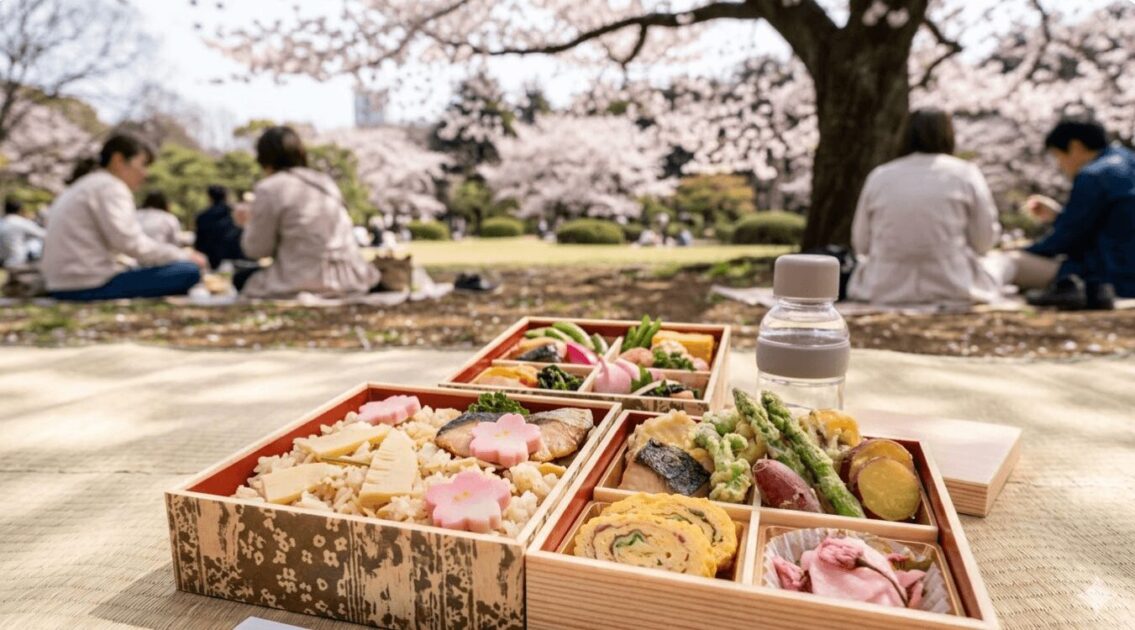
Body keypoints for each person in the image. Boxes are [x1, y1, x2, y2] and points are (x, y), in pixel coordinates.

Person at [847, 108, 1002, 305]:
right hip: (954, 282)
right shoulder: (966, 173)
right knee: (1003, 263)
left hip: (884, 285)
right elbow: (984, 242)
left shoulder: (880, 176)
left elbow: (861, 243)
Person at [40, 134, 205, 300]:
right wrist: (183, 255)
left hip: (59, 283)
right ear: (118, 160)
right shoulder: (110, 187)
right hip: (89, 284)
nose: (144, 174)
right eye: (142, 165)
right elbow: (130, 243)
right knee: (188, 270)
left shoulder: (82, 185)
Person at [235, 126, 379, 297]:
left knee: (240, 278)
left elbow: (257, 250)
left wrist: (247, 223)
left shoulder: (269, 188)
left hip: (303, 276)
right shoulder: (325, 182)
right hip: (350, 274)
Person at [1016, 119, 1135, 309]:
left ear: (1075, 146)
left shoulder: (1093, 175)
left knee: (1010, 264)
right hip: (1124, 266)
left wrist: (1025, 251)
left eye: (1058, 156)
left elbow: (1064, 240)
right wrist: (1058, 215)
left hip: (1112, 275)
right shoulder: (1128, 160)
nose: (1059, 165)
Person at [194, 185, 247, 270]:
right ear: (226, 196)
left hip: (212, 261)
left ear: (209, 197)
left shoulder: (202, 216)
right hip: (237, 259)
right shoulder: (236, 213)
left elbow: (199, 244)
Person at [0, 198, 47, 268]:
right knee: (36, 243)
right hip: (18, 259)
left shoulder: (2, 222)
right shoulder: (20, 222)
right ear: (19, 210)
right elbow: (44, 235)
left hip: (3, 259)